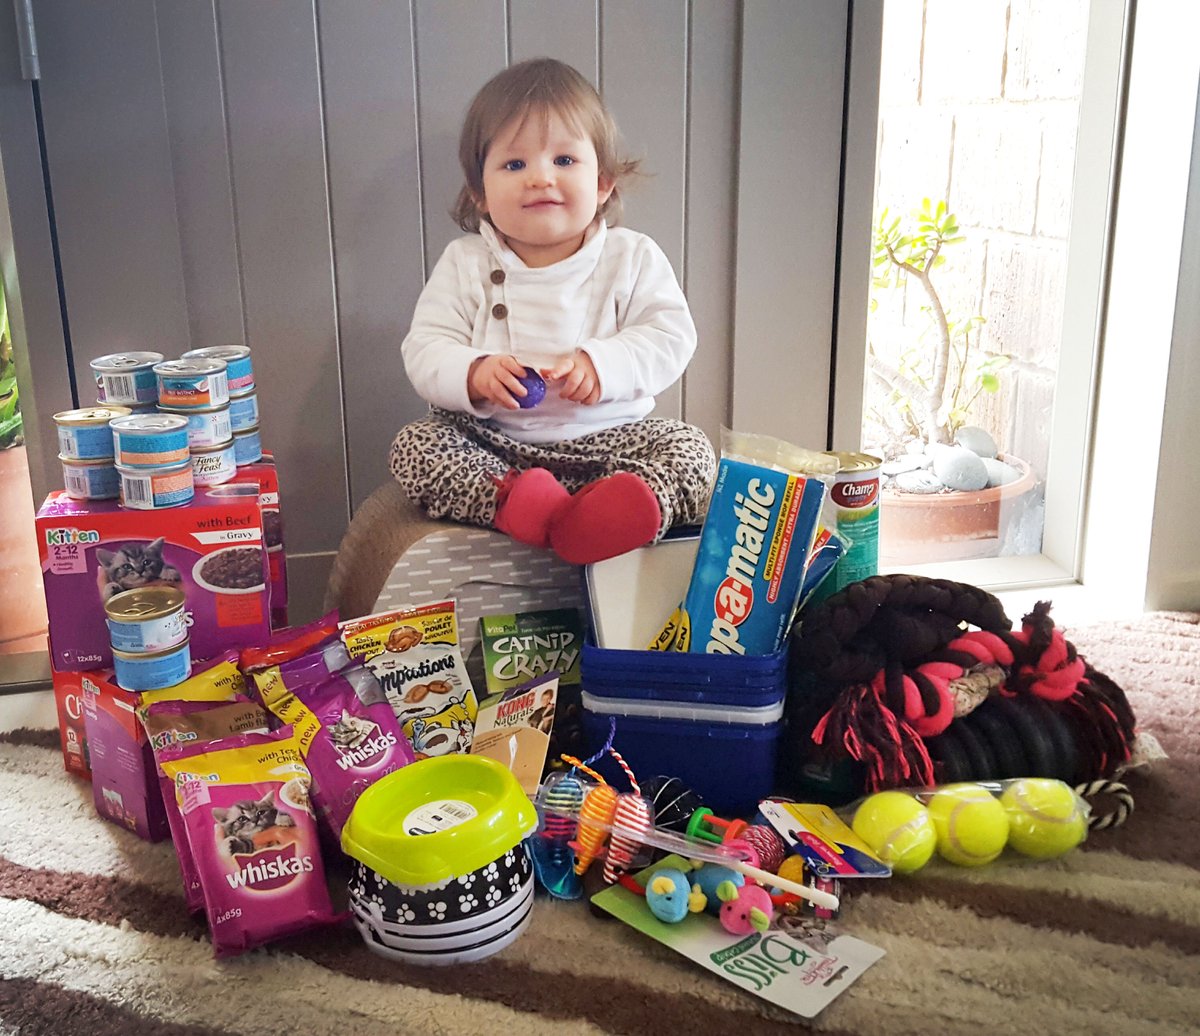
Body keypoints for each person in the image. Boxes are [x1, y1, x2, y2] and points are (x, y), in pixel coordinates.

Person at [390, 57, 715, 565]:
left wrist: (600, 364)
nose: (540, 178)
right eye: (514, 165)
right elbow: (426, 347)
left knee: (693, 450)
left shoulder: (631, 256)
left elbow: (671, 336)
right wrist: (473, 372)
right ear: (480, 192)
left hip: (614, 445)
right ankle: (524, 509)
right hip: (495, 446)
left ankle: (608, 518)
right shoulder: (466, 262)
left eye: (564, 161)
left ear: (604, 182)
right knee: (416, 444)